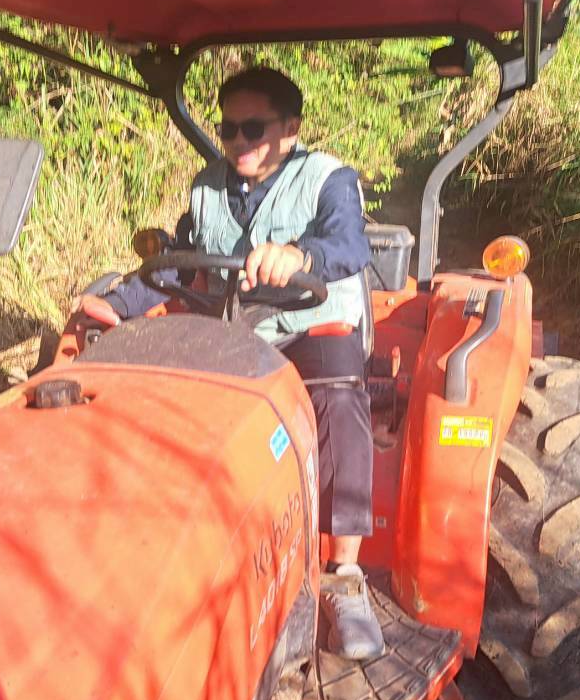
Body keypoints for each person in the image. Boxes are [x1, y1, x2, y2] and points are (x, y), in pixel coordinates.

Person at [76, 67, 383, 661]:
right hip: (236, 331)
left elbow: (349, 245)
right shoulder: (208, 186)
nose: (238, 141)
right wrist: (117, 304)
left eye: (252, 128)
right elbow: (181, 263)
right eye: (229, 129)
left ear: (289, 130)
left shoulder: (329, 180)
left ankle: (344, 575)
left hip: (310, 328)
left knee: (340, 399)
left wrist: (298, 254)